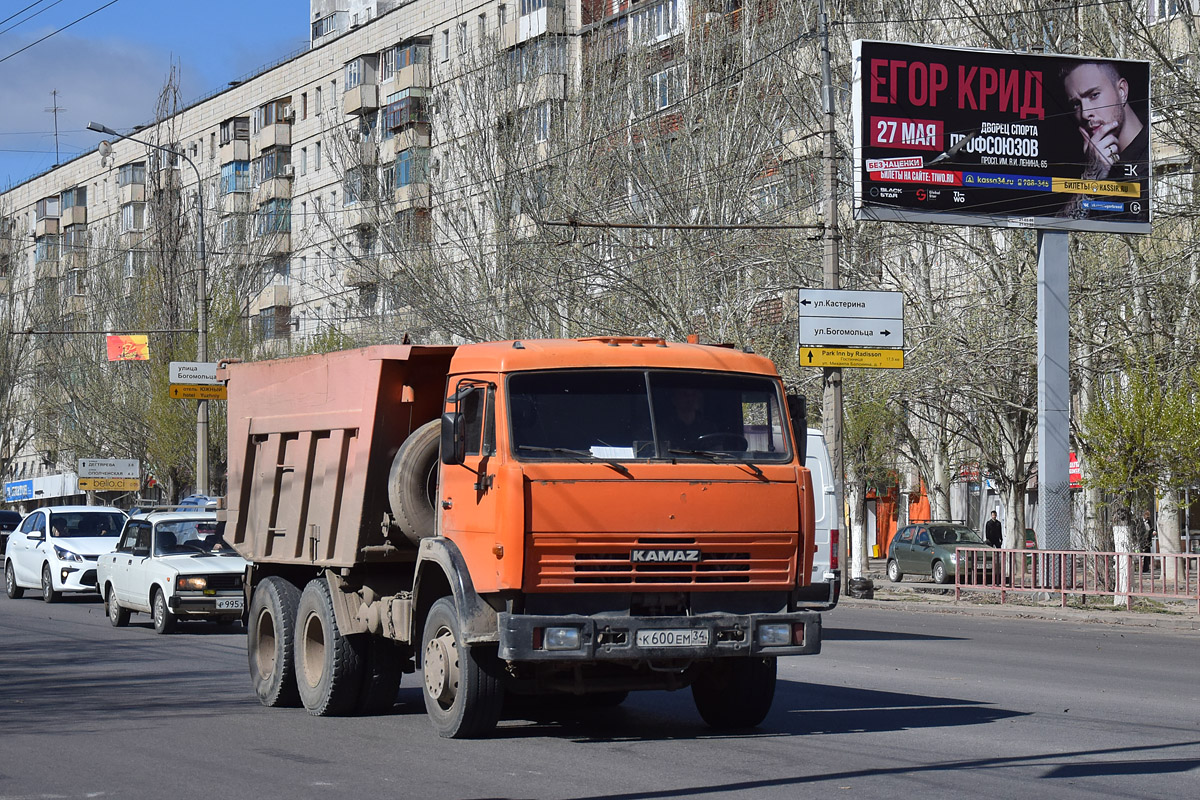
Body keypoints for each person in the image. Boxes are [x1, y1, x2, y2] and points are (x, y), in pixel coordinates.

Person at [1058, 61, 1149, 219]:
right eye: (1076, 104)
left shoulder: (1156, 150)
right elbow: (1057, 225)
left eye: (1094, 95)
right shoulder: (1084, 164)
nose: (1085, 114)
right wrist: (1092, 174)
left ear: (1121, 91)